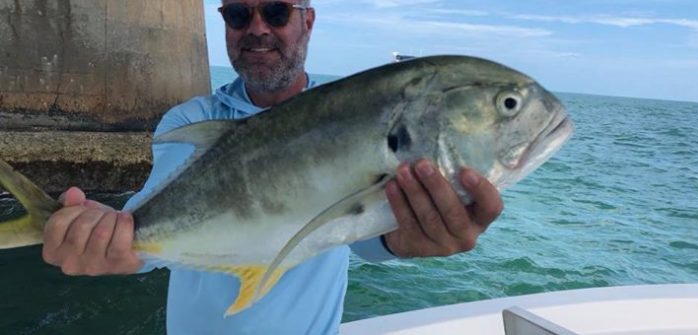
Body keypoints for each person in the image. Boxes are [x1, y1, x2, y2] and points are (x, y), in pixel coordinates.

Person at [41, 0, 504, 333]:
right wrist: (103, 241)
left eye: (276, 12)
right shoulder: (192, 121)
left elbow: (364, 235)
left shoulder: (347, 115)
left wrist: (407, 236)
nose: (257, 28)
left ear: (308, 20)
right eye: (239, 14)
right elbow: (144, 230)